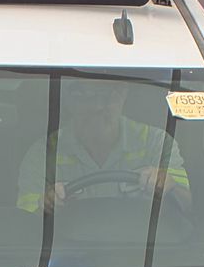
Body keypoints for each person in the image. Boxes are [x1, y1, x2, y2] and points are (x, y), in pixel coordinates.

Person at [16, 77, 190, 216]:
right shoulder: (44, 152)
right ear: (69, 101)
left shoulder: (156, 142)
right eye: (85, 96)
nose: (97, 107)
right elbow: (24, 223)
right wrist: (46, 205)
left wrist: (169, 185)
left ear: (123, 96)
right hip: (66, 249)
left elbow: (189, 207)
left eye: (108, 95)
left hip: (144, 247)